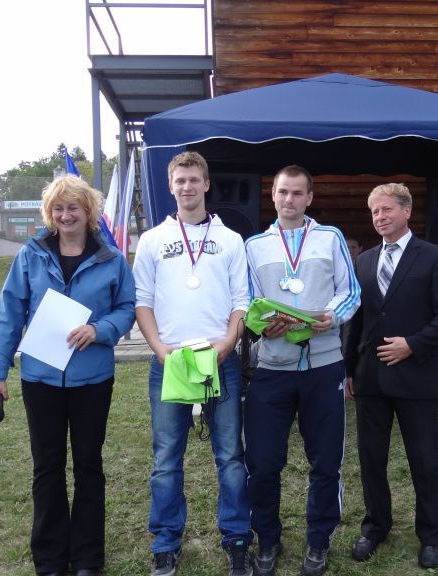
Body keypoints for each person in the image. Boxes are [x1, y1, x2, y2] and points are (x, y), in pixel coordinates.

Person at [0, 175, 135, 576]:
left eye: (73, 207)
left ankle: (87, 557)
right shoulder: (30, 255)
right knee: (47, 466)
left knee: (88, 465)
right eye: (58, 208)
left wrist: (100, 330)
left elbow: (127, 308)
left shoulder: (111, 259)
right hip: (40, 380)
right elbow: (9, 314)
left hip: (93, 380)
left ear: (88, 212)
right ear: (49, 213)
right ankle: (51, 558)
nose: (66, 215)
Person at [131, 151, 253, 576]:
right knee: (166, 459)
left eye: (194, 179)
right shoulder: (152, 240)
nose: (187, 186)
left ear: (206, 184)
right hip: (171, 362)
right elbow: (142, 302)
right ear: (170, 186)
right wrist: (159, 350)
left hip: (221, 361)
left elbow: (242, 302)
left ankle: (237, 539)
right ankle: (166, 543)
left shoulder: (231, 240)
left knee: (231, 456)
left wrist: (228, 343)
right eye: (180, 180)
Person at [243, 165, 360, 576]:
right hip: (272, 368)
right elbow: (248, 301)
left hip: (324, 365)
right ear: (272, 195)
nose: (288, 199)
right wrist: (262, 325)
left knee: (325, 462)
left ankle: (318, 541)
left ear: (309, 197)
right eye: (282, 192)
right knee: (262, 462)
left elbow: (351, 291)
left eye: (297, 193)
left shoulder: (330, 238)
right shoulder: (255, 246)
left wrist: (332, 315)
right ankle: (267, 540)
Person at [344, 183, 438, 570]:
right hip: (370, 380)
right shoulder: (364, 262)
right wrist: (349, 370)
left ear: (406, 211)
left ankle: (431, 535)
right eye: (374, 212)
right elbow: (356, 323)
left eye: (387, 210)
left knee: (424, 461)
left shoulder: (434, 257)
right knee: (371, 460)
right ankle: (375, 526)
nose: (380, 217)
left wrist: (413, 344)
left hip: (416, 378)